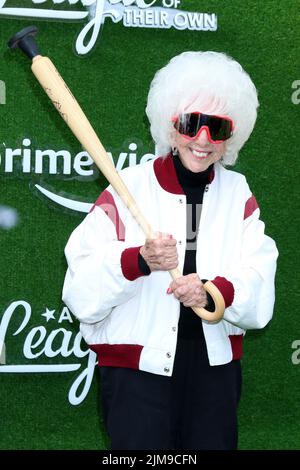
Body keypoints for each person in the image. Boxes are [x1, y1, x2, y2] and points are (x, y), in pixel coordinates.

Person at [62, 51, 278, 450]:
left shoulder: (239, 194)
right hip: (137, 377)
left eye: (218, 128)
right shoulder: (127, 190)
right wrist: (138, 261)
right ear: (170, 125)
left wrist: (213, 292)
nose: (202, 139)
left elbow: (260, 281)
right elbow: (80, 291)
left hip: (214, 376)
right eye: (191, 123)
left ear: (233, 135)